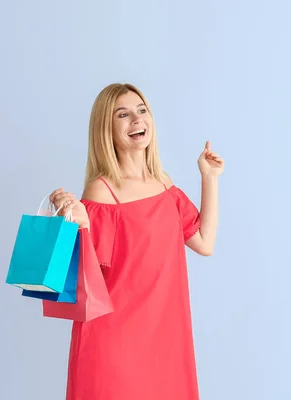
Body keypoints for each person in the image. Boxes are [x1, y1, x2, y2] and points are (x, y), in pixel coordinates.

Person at [48, 83, 224, 400]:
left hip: (166, 340)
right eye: (123, 115)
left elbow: (203, 241)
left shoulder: (162, 182)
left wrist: (208, 179)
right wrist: (80, 226)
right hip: (115, 344)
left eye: (142, 111)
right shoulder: (101, 191)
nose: (137, 120)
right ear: (107, 128)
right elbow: (88, 281)